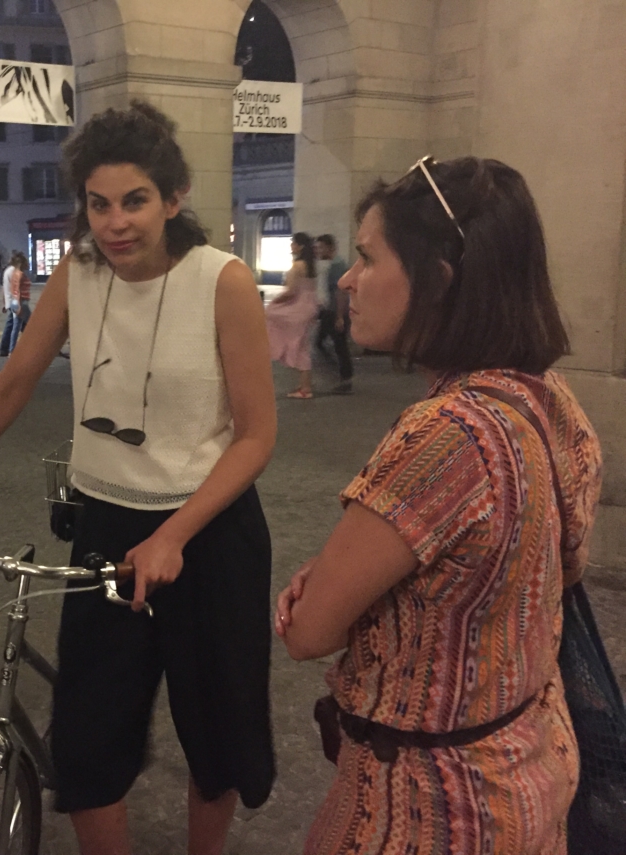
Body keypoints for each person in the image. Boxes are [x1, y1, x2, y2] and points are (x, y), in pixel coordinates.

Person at [0, 101, 277, 855]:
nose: (114, 222)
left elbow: (257, 437)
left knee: (216, 728)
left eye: (134, 201)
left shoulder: (220, 280)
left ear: (174, 197)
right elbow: (11, 384)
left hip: (208, 531)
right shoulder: (79, 273)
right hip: (106, 526)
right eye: (98, 204)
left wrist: (174, 534)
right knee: (89, 735)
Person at [274, 156, 602, 854]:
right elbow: (553, 569)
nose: (352, 281)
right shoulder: (547, 397)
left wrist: (330, 583)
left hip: (431, 807)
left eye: (367, 258)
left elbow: (307, 630)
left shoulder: (447, 434)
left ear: (440, 280)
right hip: (527, 762)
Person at [264, 232, 319, 398]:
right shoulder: (311, 266)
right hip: (308, 307)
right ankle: (304, 385)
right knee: (302, 346)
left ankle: (304, 387)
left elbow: (290, 291)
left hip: (297, 309)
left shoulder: (297, 266)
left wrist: (275, 302)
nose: (291, 246)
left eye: (293, 243)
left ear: (300, 246)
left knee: (270, 316)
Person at [313, 234, 353, 393]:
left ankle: (345, 379)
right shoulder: (333, 264)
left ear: (330, 247)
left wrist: (339, 317)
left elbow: (341, 292)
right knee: (321, 342)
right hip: (329, 311)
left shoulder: (337, 265)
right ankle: (339, 374)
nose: (318, 250)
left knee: (340, 346)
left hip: (335, 312)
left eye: (321, 247)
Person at [8, 249, 32, 353]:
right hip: (22, 302)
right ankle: (31, 347)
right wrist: (18, 305)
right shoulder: (20, 274)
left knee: (17, 326)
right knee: (32, 325)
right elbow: (16, 290)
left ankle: (12, 350)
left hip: (16, 302)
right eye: (26, 262)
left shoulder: (15, 273)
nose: (28, 263)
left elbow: (12, 289)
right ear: (21, 263)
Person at [0, 250, 19, 357]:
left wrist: (4, 302)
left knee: (11, 325)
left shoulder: (7, 271)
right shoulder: (14, 271)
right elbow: (16, 288)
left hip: (10, 301)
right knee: (17, 326)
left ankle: (4, 348)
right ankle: (11, 350)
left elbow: (3, 288)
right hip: (15, 302)